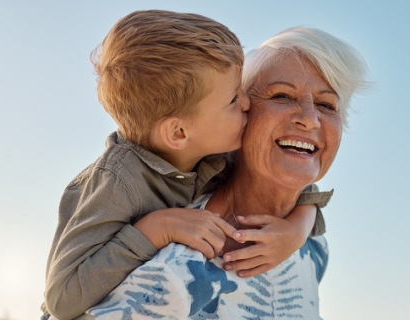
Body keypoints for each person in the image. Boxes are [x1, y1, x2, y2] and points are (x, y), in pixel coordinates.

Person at [42, 11, 330, 320]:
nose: (247, 104)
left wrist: (295, 231)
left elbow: (297, 182)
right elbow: (61, 298)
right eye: (233, 100)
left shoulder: (212, 149)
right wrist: (156, 229)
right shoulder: (116, 184)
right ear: (178, 133)